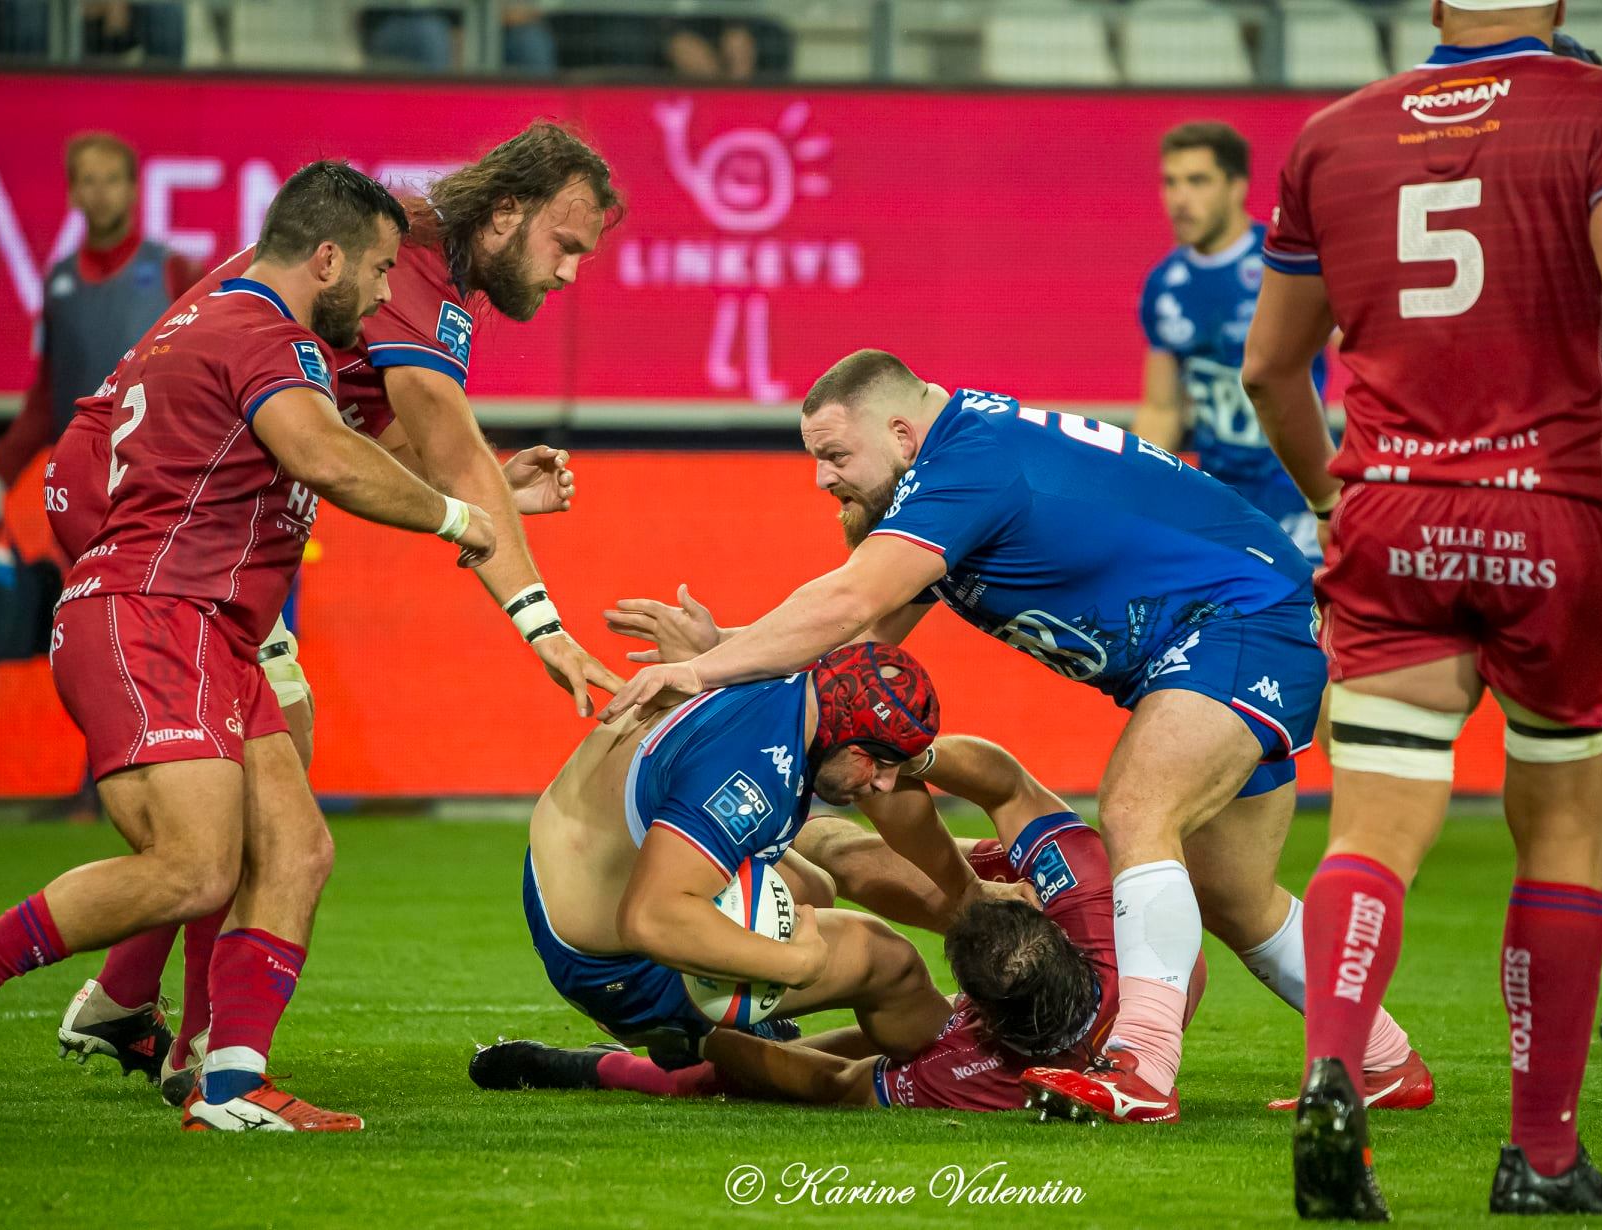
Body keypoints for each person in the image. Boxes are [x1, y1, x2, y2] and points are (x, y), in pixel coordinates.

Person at [1242, 0, 1602, 1217]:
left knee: (1371, 833)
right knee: (1557, 838)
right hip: (1554, 519)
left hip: (1391, 517)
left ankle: (1336, 1068)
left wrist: (1336, 498)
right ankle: (1540, 1155)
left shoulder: (1334, 134)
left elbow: (1272, 368)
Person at [599, 351, 1423, 1125]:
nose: (823, 478)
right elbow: (869, 640)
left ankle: (1140, 1067)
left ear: (899, 434)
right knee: (1234, 897)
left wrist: (704, 675)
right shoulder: (955, 465)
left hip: (1237, 623)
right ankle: (1382, 1059)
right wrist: (729, 645)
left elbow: (851, 600)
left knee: (1137, 808)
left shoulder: (967, 461)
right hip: (1236, 626)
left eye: (835, 455)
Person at [44, 120, 625, 1100]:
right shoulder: (401, 259)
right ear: (510, 211)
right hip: (154, 514)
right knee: (269, 823)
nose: (571, 271)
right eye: (566, 244)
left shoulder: (410, 264)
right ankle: (194, 1053)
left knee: (270, 804)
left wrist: (482, 494)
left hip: (157, 503)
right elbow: (446, 451)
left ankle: (138, 1008)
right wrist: (541, 621)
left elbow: (372, 446)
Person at [0, 161, 498, 1132]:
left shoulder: (236, 325)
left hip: (210, 628)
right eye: (381, 271)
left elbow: (326, 448)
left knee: (295, 849)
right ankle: (14, 975)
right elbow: (327, 456)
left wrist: (480, 484)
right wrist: (463, 517)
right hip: (155, 614)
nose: (390, 295)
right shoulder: (261, 333)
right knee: (193, 868)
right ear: (328, 258)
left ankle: (229, 1080)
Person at [475, 734, 1214, 1110]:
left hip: (975, 1015)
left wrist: (721, 1043)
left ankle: (584, 1065)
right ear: (1055, 926)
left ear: (977, 1011)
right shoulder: (1101, 908)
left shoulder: (978, 1071)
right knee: (843, 864)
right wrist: (906, 757)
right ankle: (778, 833)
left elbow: (837, 1082)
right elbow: (1005, 780)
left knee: (875, 959)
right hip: (1024, 951)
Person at [516, 642, 950, 1070]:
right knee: (889, 963)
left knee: (811, 887)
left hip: (558, 881)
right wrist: (795, 964)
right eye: (876, 760)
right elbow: (650, 917)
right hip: (617, 970)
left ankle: (711, 1035)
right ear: (841, 732)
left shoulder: (772, 672)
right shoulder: (753, 779)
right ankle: (961, 1059)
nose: (885, 784)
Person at [0, 132, 196, 533]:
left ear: (133, 190)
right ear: (72, 193)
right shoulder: (59, 284)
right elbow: (47, 398)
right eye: (88, 181)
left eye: (111, 180)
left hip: (156, 486)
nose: (100, 193)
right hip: (78, 490)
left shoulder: (175, 273)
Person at [1134, 121, 1329, 561]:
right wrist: (1130, 487)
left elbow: (1360, 350)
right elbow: (1162, 407)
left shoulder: (1287, 263)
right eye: (1171, 182)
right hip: (1222, 500)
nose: (1180, 198)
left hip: (1299, 495)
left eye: (1198, 181)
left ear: (1236, 186)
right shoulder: (1165, 285)